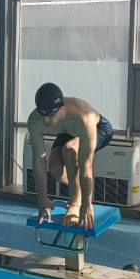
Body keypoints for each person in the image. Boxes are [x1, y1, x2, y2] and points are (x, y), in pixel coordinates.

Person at [27, 82, 114, 229]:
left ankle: (75, 201)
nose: (46, 120)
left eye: (50, 115)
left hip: (99, 128)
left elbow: (86, 166)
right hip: (67, 130)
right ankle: (78, 188)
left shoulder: (83, 118)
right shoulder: (35, 120)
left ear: (62, 109)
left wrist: (86, 204)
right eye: (42, 114)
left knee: (70, 150)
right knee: (55, 169)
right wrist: (42, 197)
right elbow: (38, 160)